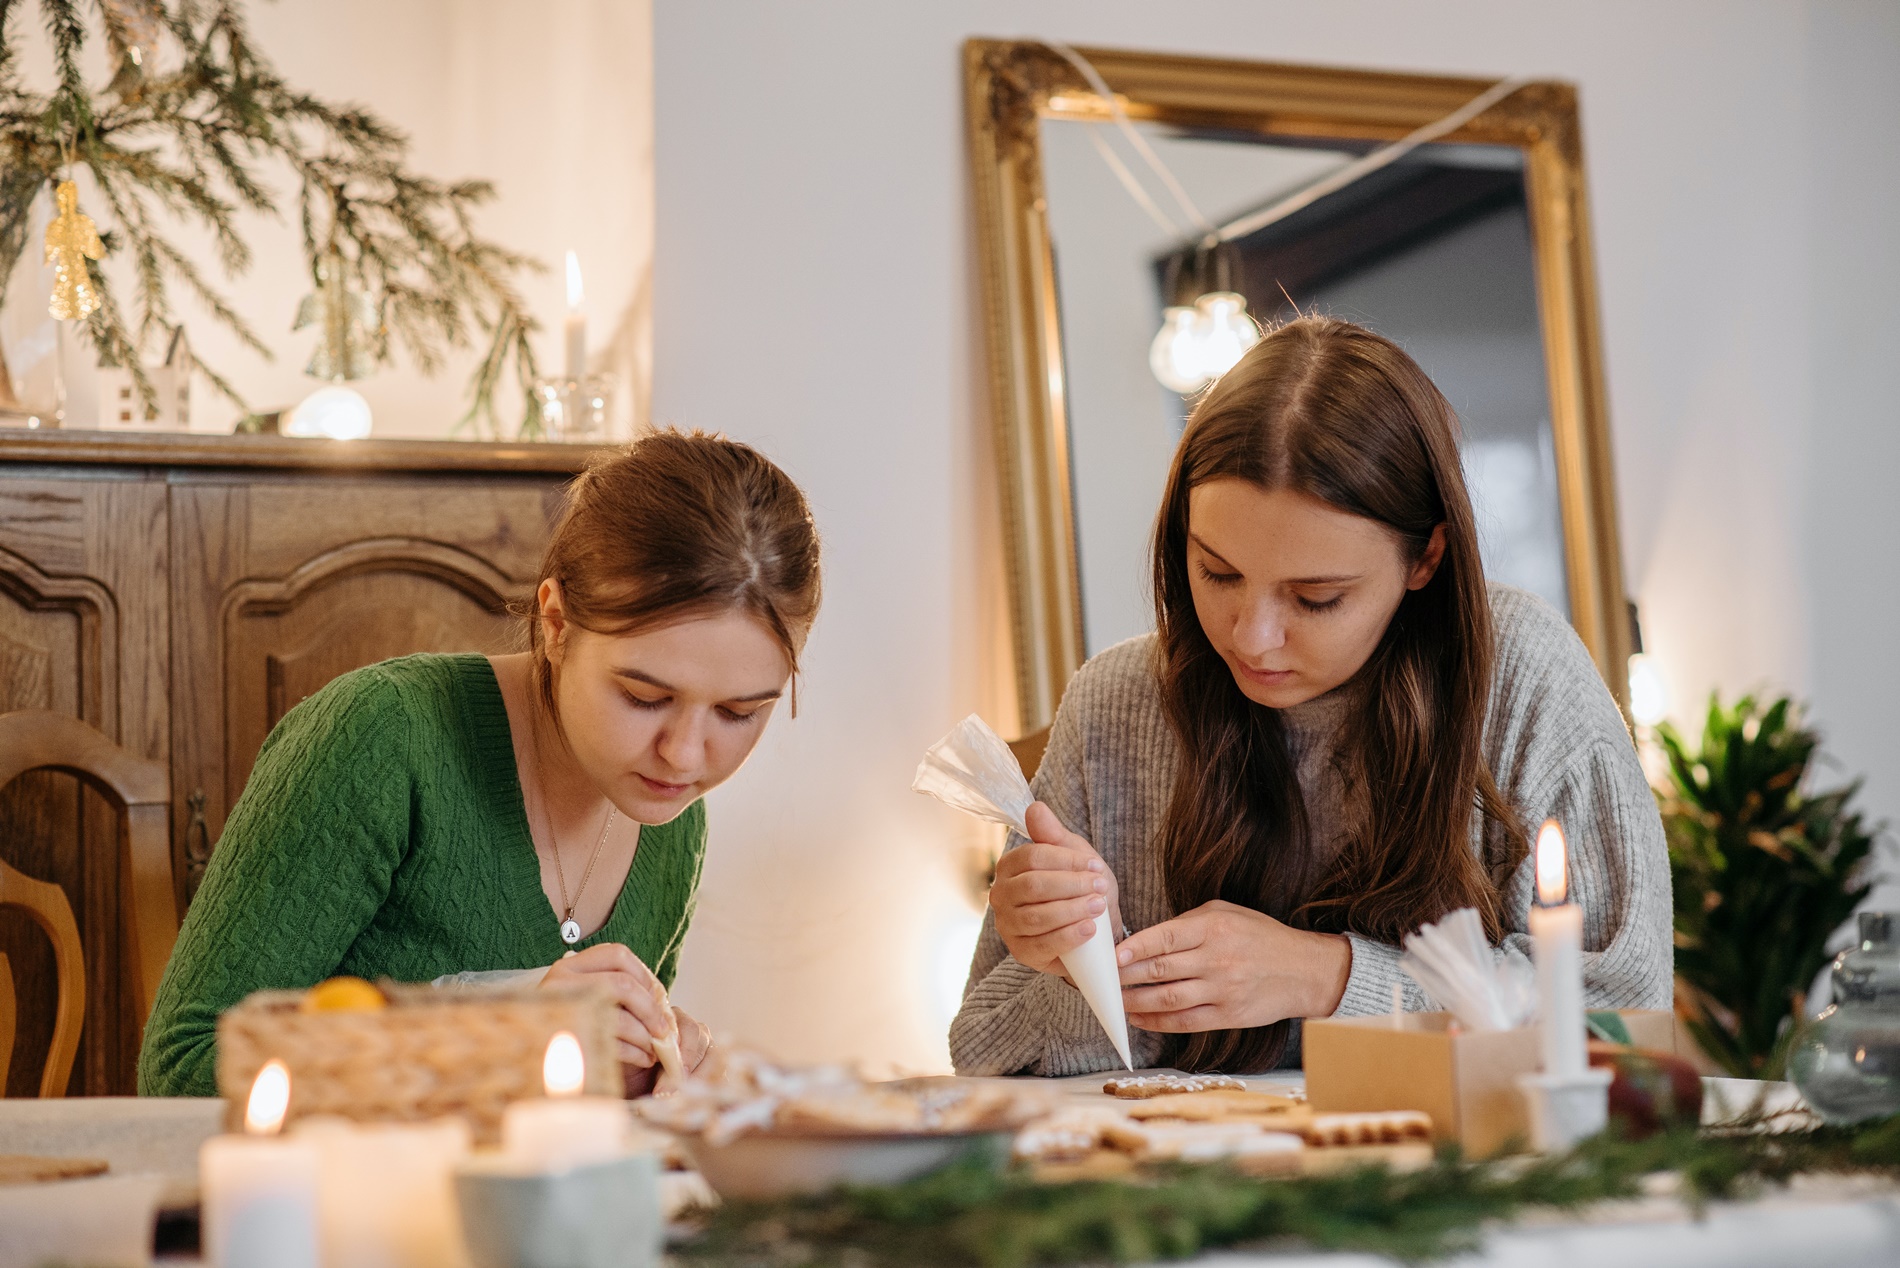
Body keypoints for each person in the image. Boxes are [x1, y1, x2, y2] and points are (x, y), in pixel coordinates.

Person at [950, 316, 1671, 1076]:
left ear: (1426, 557)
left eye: (1316, 598)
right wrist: (1081, 973)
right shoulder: (1115, 705)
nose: (1252, 638)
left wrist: (1325, 977)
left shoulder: (1521, 676)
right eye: (1217, 573)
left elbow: (1622, 1028)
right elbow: (985, 1049)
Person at [139, 430, 821, 1097]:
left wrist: (654, 1071)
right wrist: (496, 1033)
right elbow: (181, 1072)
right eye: (644, 697)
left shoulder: (672, 817)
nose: (685, 754)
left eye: (739, 713)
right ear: (556, 625)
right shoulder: (383, 737)